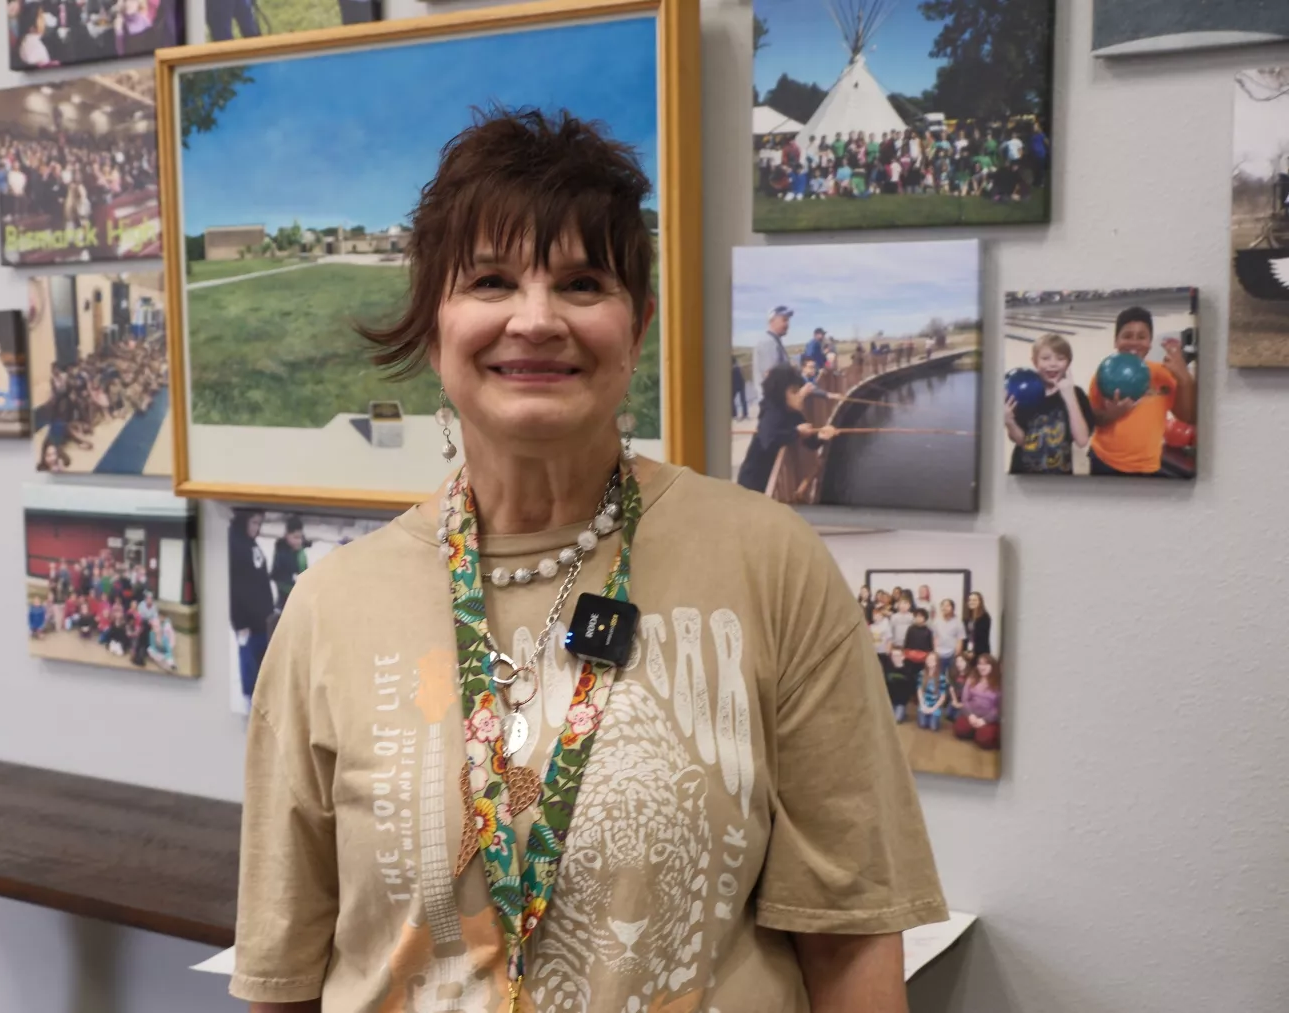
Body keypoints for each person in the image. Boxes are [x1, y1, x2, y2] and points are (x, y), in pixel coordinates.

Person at [232, 107, 945, 1013]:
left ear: (637, 325)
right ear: (434, 322)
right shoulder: (331, 606)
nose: (535, 320)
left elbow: (849, 938)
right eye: (491, 280)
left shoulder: (770, 563)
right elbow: (285, 977)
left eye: (581, 283)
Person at [1087, 306, 1197, 477]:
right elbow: (1092, 419)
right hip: (1104, 461)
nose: (1134, 342)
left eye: (1141, 337)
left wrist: (1185, 380)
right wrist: (1111, 415)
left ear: (1150, 343)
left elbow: (1186, 417)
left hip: (1147, 466)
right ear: (1116, 341)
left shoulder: (1163, 374)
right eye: (1127, 336)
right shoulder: (1104, 373)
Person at [734, 367, 838, 496]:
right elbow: (769, 440)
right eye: (794, 392)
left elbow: (810, 442)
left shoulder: (793, 414)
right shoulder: (772, 413)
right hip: (753, 481)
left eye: (800, 390)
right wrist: (796, 432)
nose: (800, 396)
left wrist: (821, 436)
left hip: (769, 480)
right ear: (780, 394)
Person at [1005, 333, 1093, 474]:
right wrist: (1009, 422)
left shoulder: (1077, 394)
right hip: (1023, 474)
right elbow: (1021, 440)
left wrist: (1069, 396)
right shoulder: (1024, 393)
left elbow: (1082, 441)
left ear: (1068, 363)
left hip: (1058, 477)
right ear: (1035, 362)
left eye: (1060, 358)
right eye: (1045, 358)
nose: (1053, 364)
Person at [228, 509, 278, 704]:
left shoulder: (251, 544)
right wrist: (239, 621)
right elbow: (232, 587)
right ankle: (250, 703)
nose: (257, 528)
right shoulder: (233, 545)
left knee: (263, 664)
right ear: (244, 521)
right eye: (254, 523)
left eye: (259, 523)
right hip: (247, 622)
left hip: (262, 619)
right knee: (249, 665)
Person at [954, 654, 1002, 750]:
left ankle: (980, 732)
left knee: (984, 740)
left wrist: (985, 720)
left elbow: (999, 707)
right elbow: (965, 699)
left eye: (986, 664)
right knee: (959, 729)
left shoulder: (998, 683)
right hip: (971, 715)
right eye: (980, 664)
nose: (982, 667)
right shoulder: (972, 678)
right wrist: (970, 715)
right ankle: (975, 730)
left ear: (992, 666)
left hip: (989, 719)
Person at [751, 304, 793, 406]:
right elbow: (771, 376)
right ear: (772, 321)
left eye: (788, 320)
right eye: (784, 320)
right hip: (773, 402)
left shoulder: (774, 341)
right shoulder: (768, 342)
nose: (787, 324)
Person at [931, 597, 966, 675]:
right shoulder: (936, 621)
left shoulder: (958, 622)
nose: (945, 608)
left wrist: (956, 654)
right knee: (939, 675)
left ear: (952, 608)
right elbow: (934, 637)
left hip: (952, 654)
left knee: (952, 675)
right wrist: (935, 651)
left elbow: (960, 639)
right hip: (939, 654)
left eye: (947, 606)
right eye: (943, 606)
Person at [916, 654, 947, 732]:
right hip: (925, 703)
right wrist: (922, 705)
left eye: (932, 660)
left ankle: (934, 716)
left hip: (935, 705)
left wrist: (933, 709)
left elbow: (943, 696)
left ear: (936, 662)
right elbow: (919, 691)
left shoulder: (941, 677)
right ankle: (925, 715)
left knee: (933, 727)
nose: (930, 661)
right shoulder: (921, 673)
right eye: (928, 659)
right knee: (922, 725)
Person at [964, 591, 992, 656]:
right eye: (970, 600)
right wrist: (966, 650)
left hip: (980, 651)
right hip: (968, 651)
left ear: (980, 602)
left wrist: (973, 651)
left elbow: (981, 637)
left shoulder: (985, 617)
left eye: (974, 600)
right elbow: (965, 636)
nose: (971, 602)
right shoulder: (967, 618)